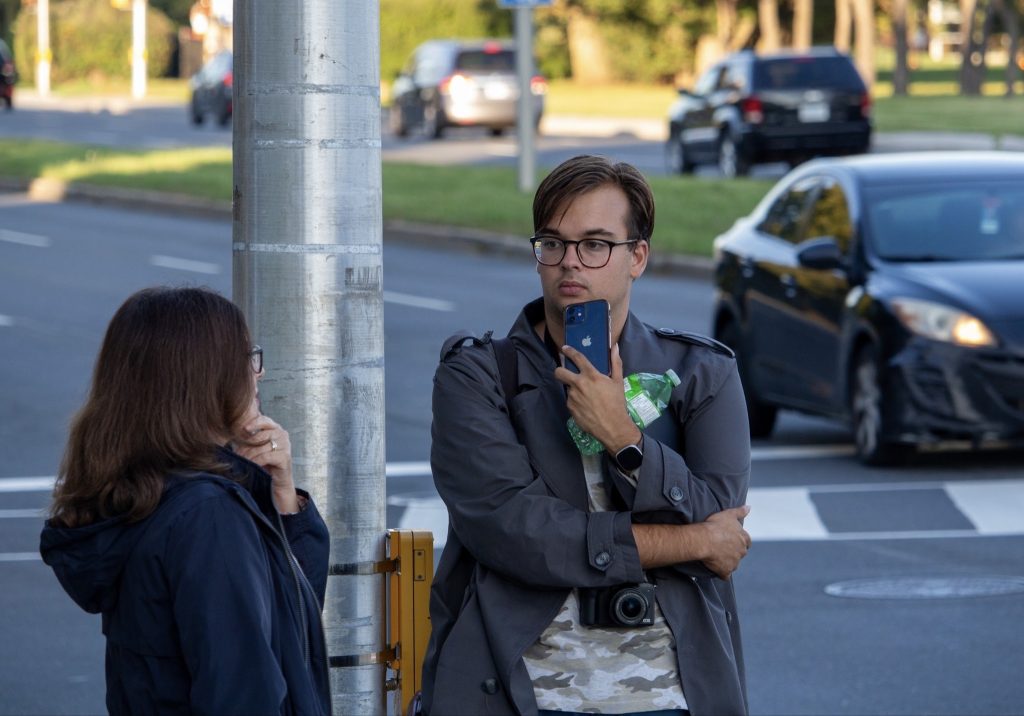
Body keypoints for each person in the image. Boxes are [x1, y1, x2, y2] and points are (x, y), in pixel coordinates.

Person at [422, 155, 752, 716]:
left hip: (671, 697)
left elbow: (721, 518)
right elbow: (517, 534)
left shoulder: (701, 374)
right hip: (517, 692)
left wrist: (625, 440)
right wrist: (693, 543)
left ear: (637, 257)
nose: (570, 263)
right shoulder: (478, 376)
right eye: (553, 243)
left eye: (595, 244)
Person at [39, 286, 332, 716]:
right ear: (203, 381)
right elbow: (244, 693)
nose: (258, 373)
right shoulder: (207, 516)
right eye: (246, 359)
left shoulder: (144, 491)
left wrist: (282, 501)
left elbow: (287, 631)